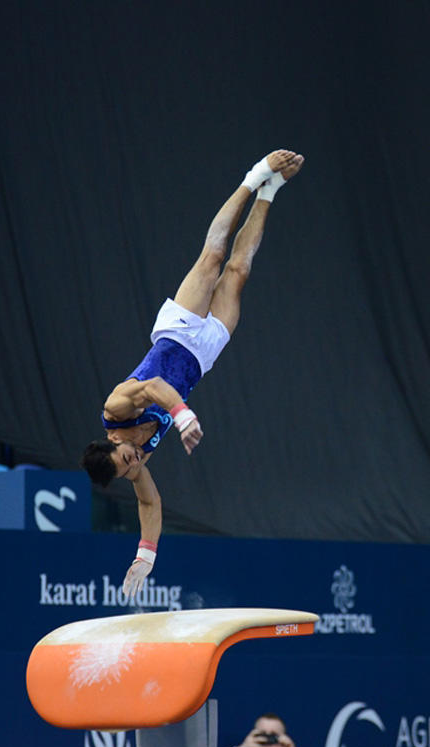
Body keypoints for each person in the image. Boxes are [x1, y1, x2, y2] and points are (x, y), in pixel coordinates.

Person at [80, 149, 304, 596]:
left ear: (113, 442)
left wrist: (182, 415)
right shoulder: (132, 463)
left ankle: (252, 177)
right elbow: (150, 502)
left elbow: (157, 386)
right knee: (239, 271)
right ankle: (271, 193)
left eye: (128, 460)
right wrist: (145, 556)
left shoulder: (116, 410)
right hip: (202, 356)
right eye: (130, 468)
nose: (136, 464)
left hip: (178, 332)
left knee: (214, 257)